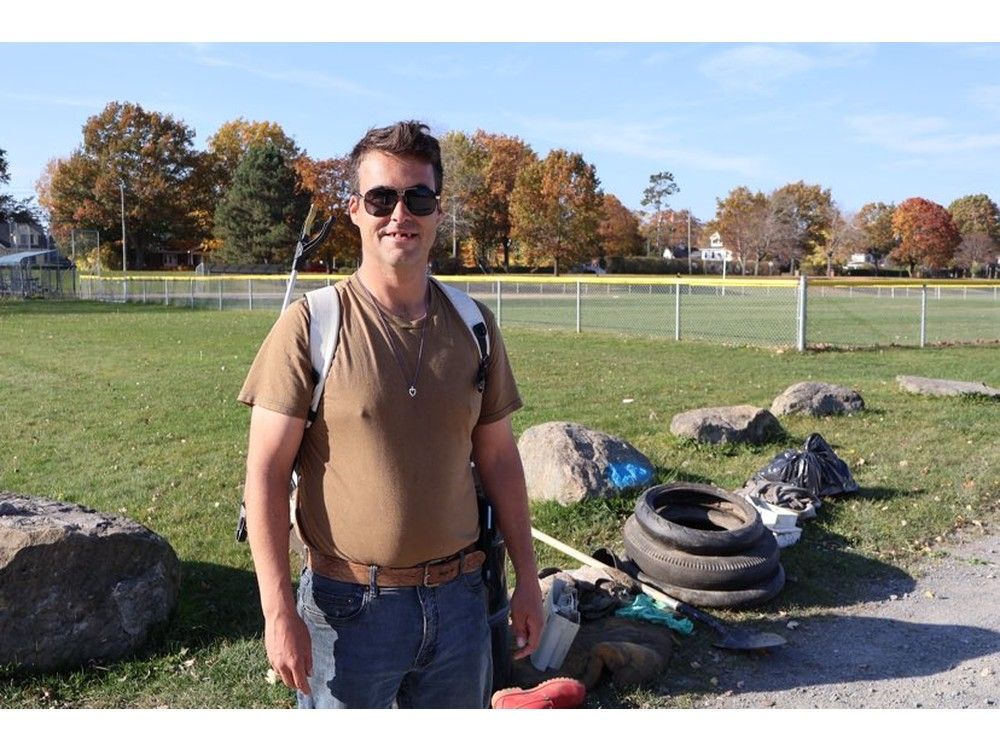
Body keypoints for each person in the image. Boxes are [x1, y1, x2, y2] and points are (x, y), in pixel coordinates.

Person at [237, 120, 543, 709]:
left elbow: (500, 458)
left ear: (437, 211)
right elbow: (266, 475)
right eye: (382, 197)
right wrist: (278, 611)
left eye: (417, 197)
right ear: (355, 210)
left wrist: (528, 578)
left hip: (459, 606)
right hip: (348, 609)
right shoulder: (312, 325)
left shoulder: (473, 325)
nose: (399, 213)